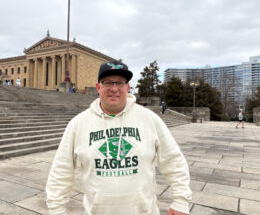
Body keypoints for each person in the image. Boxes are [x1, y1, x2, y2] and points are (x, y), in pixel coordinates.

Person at [46, 61, 192, 215]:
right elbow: (60, 171)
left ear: (127, 87)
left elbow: (173, 160)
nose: (114, 89)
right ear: (98, 87)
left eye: (120, 83)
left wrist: (181, 200)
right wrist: (56, 210)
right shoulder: (78, 124)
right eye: (108, 83)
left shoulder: (149, 119)